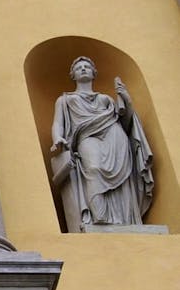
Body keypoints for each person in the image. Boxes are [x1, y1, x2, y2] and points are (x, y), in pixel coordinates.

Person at [50, 56, 153, 228]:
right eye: (79, 68)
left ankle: (125, 220)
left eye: (87, 67)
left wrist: (126, 100)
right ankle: (100, 218)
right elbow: (58, 123)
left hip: (115, 136)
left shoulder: (106, 99)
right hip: (86, 137)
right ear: (73, 75)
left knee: (123, 178)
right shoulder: (65, 100)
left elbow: (126, 124)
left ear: (94, 73)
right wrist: (57, 137)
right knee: (94, 168)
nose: (83, 69)